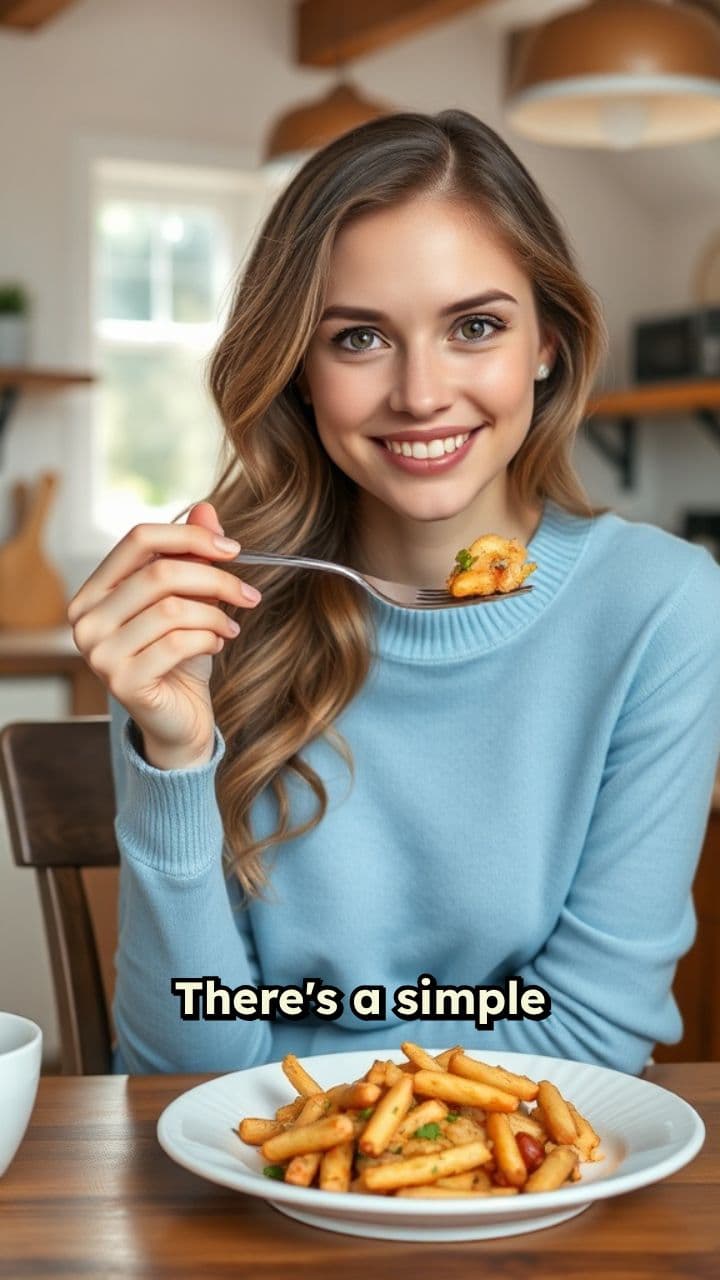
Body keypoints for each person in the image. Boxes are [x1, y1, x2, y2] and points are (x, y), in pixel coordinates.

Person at [68, 109, 720, 1077]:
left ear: (548, 340)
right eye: (361, 336)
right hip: (241, 1204)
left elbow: (588, 1041)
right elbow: (180, 1065)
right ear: (297, 368)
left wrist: (301, 1057)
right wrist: (174, 750)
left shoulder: (662, 606)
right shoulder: (213, 610)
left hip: (531, 1207)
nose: (420, 393)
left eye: (476, 326)